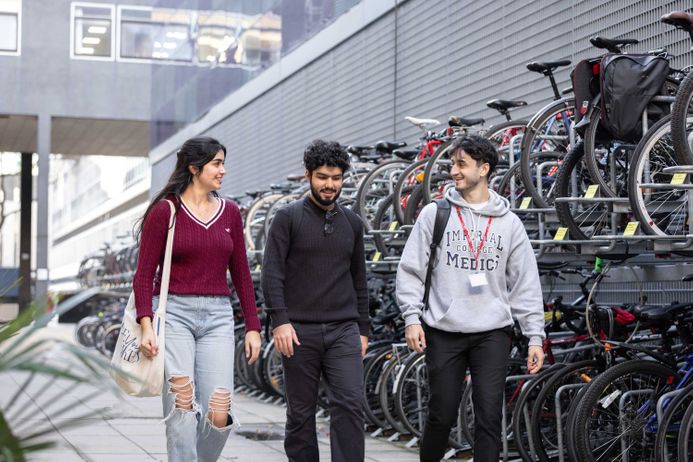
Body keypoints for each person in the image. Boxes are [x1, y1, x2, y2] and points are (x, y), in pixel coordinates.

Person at [396, 135, 546, 462]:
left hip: (492, 332)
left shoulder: (509, 224)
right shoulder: (435, 214)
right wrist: (411, 317)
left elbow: (525, 284)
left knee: (489, 417)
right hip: (444, 330)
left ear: (484, 168)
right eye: (452, 164)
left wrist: (535, 336)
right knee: (441, 415)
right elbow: (411, 270)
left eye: (461, 164)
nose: (454, 171)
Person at [133, 136, 262, 462]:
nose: (223, 170)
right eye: (216, 163)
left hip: (218, 317)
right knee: (182, 405)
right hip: (175, 314)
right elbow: (144, 273)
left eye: (222, 162)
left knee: (220, 412)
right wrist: (146, 325)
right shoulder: (166, 211)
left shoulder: (230, 212)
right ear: (194, 168)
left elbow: (242, 274)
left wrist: (252, 326)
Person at [261, 139, 370, 462]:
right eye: (323, 177)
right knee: (300, 414)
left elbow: (359, 280)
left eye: (336, 178)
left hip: (343, 330)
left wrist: (363, 329)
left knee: (350, 405)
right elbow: (272, 274)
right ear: (309, 175)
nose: (330, 185)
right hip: (297, 332)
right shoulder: (288, 218)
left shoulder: (352, 223)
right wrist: (280, 321)